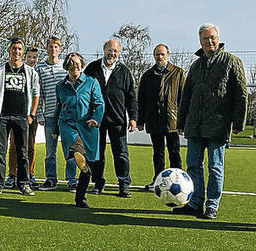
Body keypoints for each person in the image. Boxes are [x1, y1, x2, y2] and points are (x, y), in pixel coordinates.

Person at [174, 23, 247, 219]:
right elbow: (186, 96)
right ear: (200, 41)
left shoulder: (231, 61)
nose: (210, 41)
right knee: (193, 166)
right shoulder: (196, 65)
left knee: (215, 167)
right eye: (205, 38)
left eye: (213, 37)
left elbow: (241, 94)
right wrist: (181, 122)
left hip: (218, 124)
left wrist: (238, 122)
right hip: (195, 124)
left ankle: (212, 205)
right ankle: (196, 203)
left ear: (219, 38)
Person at [84, 39, 138, 198]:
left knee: (121, 154)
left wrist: (133, 118)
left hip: (118, 120)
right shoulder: (92, 68)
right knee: (97, 154)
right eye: (109, 50)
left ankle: (124, 185)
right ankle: (98, 183)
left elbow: (131, 97)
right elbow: (84, 92)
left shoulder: (125, 72)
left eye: (115, 51)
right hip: (96, 120)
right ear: (104, 49)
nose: (112, 53)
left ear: (119, 53)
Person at [0, 38, 40, 197]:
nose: (16, 51)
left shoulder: (30, 72)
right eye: (14, 48)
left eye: (19, 49)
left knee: (23, 152)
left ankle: (24, 183)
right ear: (9, 50)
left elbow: (36, 94)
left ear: (22, 52)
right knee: (0, 152)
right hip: (2, 117)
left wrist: (32, 114)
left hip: (22, 117)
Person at [51, 52, 105, 208]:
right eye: (72, 64)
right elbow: (58, 108)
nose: (75, 67)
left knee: (88, 167)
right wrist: (55, 127)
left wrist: (96, 118)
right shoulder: (60, 86)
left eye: (78, 64)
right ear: (67, 66)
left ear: (82, 65)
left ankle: (80, 198)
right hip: (68, 125)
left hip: (89, 127)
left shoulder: (91, 83)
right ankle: (77, 153)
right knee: (77, 149)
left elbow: (99, 104)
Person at [137, 44, 186, 191]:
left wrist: (183, 121)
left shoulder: (178, 73)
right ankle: (158, 181)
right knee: (158, 153)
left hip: (173, 121)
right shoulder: (147, 76)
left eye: (162, 54)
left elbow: (184, 98)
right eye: (157, 54)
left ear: (168, 54)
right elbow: (142, 100)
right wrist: (140, 121)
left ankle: (179, 182)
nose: (160, 57)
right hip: (154, 120)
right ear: (154, 56)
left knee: (174, 152)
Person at [34, 37, 77, 192]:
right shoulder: (39, 68)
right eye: (51, 46)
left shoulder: (65, 67)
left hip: (66, 117)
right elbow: (38, 93)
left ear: (60, 49)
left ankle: (72, 180)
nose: (53, 49)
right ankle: (51, 179)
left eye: (56, 47)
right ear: (47, 48)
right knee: (50, 150)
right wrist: (40, 114)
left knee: (70, 148)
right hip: (50, 116)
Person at [5, 46, 40, 189]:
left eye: (35, 57)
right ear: (25, 57)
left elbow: (38, 95)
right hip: (17, 114)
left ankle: (29, 174)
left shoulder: (38, 72)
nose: (32, 60)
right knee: (13, 145)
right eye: (30, 57)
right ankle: (12, 175)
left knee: (30, 146)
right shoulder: (18, 70)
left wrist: (33, 114)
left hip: (32, 116)